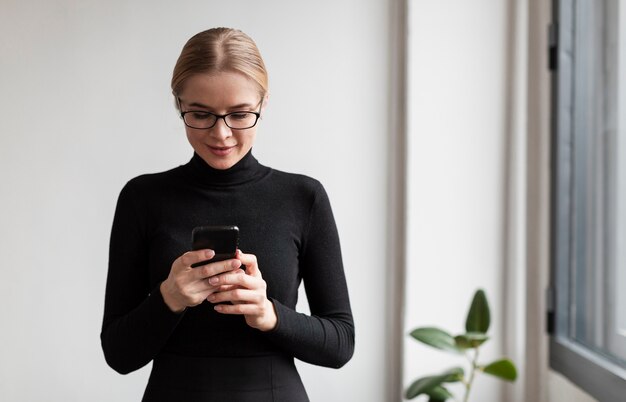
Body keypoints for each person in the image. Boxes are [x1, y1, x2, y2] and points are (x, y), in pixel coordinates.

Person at [100, 27, 355, 402]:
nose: (221, 134)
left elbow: (341, 343)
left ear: (263, 104)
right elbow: (118, 354)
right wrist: (169, 297)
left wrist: (270, 315)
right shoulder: (142, 198)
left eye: (239, 114)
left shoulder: (303, 197)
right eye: (201, 114)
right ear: (178, 105)